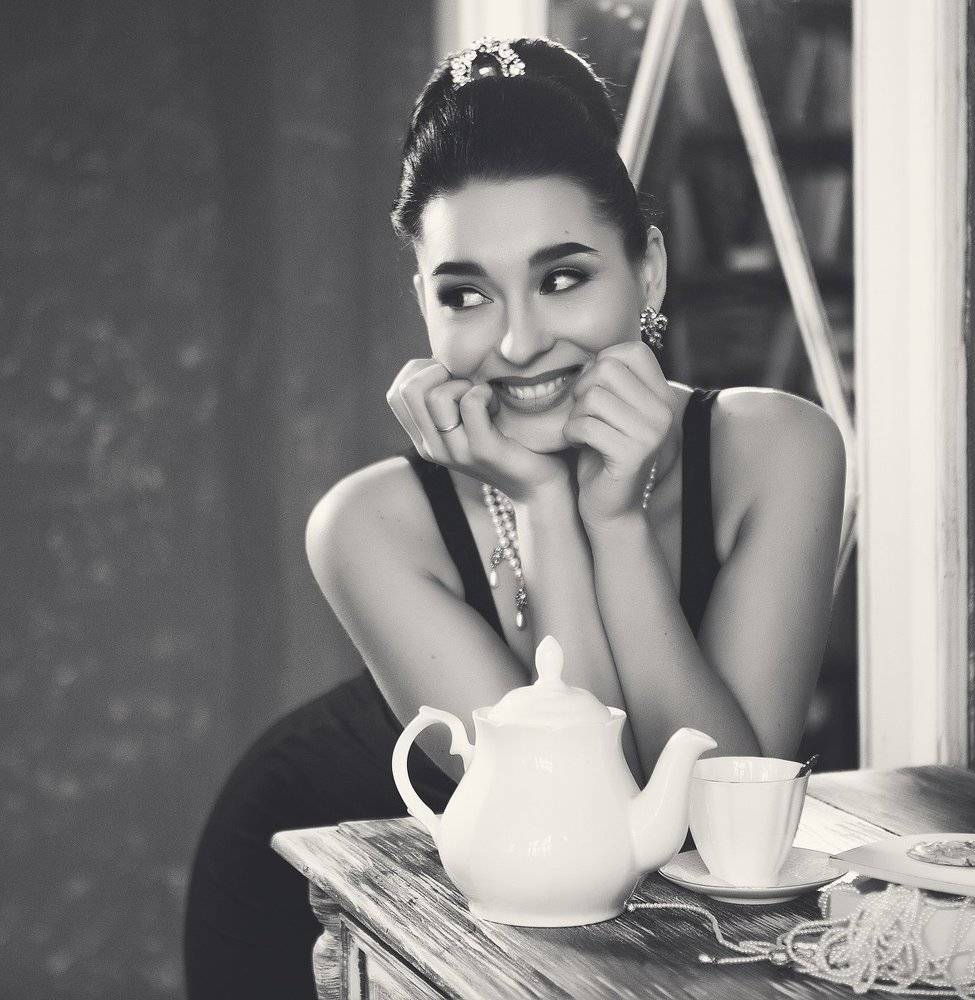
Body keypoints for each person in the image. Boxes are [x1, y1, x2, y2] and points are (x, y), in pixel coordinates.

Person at [184, 37, 845, 999]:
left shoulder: (778, 450)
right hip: (337, 896)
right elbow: (586, 831)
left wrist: (614, 526)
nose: (520, 341)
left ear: (649, 272)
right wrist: (543, 501)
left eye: (562, 277)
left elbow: (726, 836)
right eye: (466, 294)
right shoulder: (365, 528)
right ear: (425, 306)